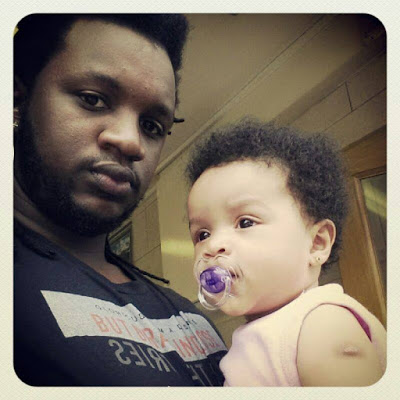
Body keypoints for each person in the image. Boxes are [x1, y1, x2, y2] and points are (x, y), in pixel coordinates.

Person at [14, 14, 227, 386]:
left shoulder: (190, 315)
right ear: (17, 99)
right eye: (93, 100)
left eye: (151, 126)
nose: (131, 142)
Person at [185, 119, 386, 386]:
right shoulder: (267, 332)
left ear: (316, 244)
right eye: (202, 234)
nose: (212, 246)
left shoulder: (323, 323)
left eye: (245, 222)